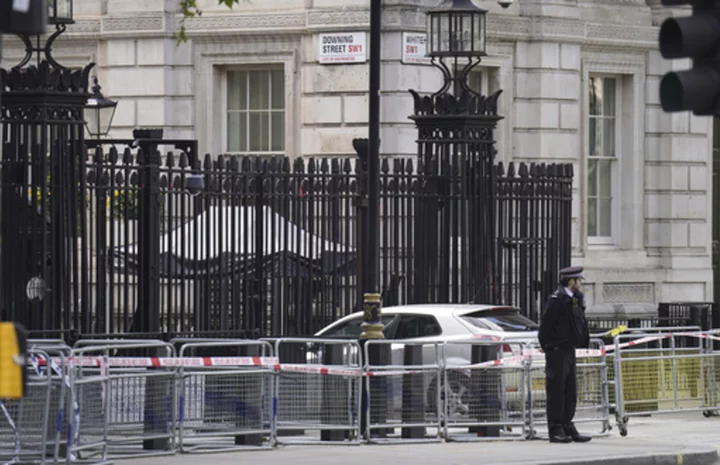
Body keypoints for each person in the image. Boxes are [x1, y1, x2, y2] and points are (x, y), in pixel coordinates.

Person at [538, 266, 592, 443]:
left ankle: (568, 425)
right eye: (579, 281)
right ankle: (556, 429)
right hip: (556, 351)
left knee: (570, 392)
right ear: (571, 282)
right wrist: (548, 346)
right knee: (556, 392)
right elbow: (545, 326)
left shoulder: (574, 300)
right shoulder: (557, 300)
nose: (581, 284)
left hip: (569, 350)